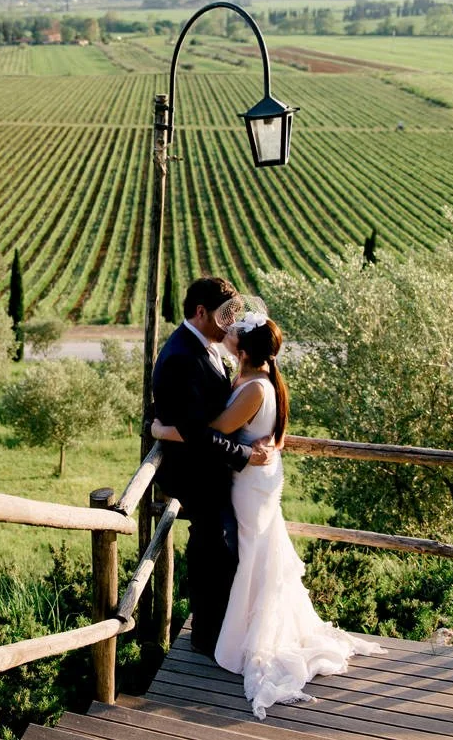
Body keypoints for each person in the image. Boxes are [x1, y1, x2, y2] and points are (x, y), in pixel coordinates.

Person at [153, 312, 383, 719]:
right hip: (254, 477)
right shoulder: (253, 378)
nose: (229, 332)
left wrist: (161, 430)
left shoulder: (254, 388)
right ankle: (239, 628)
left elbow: (213, 431)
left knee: (252, 554)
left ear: (244, 348)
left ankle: (246, 638)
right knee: (254, 553)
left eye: (236, 332)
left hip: (250, 484)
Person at [149, 277, 272, 659]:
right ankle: (208, 637)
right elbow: (197, 433)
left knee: (220, 550)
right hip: (197, 474)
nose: (231, 322)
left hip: (214, 470)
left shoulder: (206, 347)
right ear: (200, 312)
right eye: (225, 314)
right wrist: (245, 455)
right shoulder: (181, 356)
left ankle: (217, 630)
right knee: (212, 550)